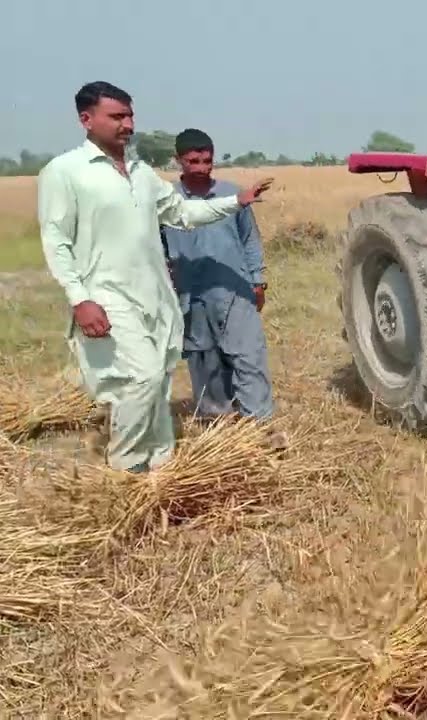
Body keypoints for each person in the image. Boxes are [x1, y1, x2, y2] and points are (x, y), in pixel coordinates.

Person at [37, 81, 273, 474]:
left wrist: (236, 201)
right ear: (86, 119)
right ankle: (127, 468)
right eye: (117, 116)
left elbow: (183, 214)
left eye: (130, 115)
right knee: (141, 379)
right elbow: (56, 241)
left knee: (159, 379)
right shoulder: (64, 172)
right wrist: (80, 298)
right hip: (108, 295)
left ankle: (160, 467)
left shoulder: (141, 172)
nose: (127, 124)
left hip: (158, 296)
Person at [160, 128, 279, 434]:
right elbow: (158, 246)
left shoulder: (232, 194)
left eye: (207, 160)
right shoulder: (165, 200)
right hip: (190, 294)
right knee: (204, 360)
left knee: (248, 356)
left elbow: (250, 240)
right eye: (193, 161)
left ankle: (261, 426)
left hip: (234, 288)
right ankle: (218, 424)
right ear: (178, 161)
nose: (201, 167)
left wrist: (258, 281)